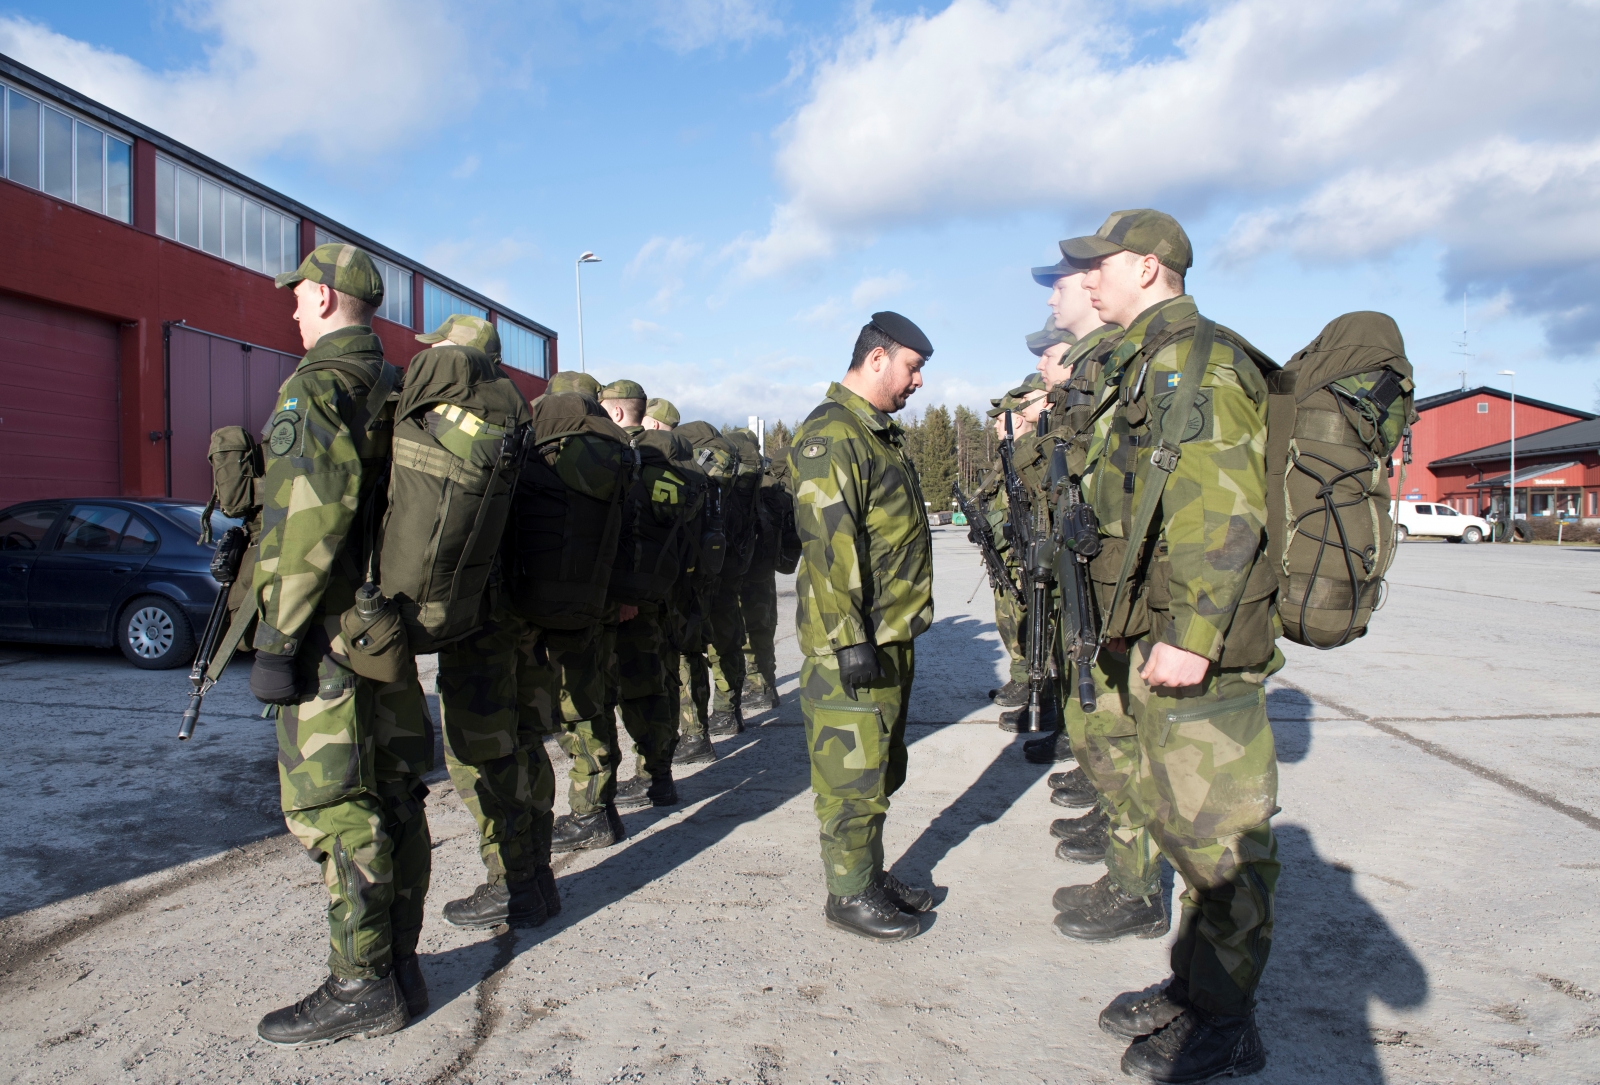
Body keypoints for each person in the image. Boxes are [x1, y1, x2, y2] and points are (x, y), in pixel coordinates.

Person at [1057, 210, 1281, 1082]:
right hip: (1153, 634)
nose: (1087, 279)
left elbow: (1222, 503)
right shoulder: (1149, 360)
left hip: (1200, 649)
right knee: (1183, 828)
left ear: (1149, 268)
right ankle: (1196, 986)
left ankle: (1228, 1022)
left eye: (1099, 265)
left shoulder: (1199, 359)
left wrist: (1192, 631)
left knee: (1223, 839)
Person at [248, 244, 434, 1045]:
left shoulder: (317, 388)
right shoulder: (397, 388)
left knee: (332, 807)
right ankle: (398, 963)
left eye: (298, 296)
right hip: (385, 634)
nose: (292, 308)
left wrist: (278, 636)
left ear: (324, 298)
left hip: (330, 639)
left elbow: (309, 521)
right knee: (395, 794)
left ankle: (362, 984)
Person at [790, 311, 937, 942]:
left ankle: (869, 875)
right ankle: (848, 894)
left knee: (879, 766)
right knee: (851, 774)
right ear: (876, 359)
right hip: (852, 641)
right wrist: (851, 641)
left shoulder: (875, 434)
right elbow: (829, 547)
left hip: (887, 634)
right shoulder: (832, 434)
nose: (917, 383)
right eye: (912, 368)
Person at [426, 315, 558, 932]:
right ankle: (537, 877)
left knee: (480, 754)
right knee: (527, 743)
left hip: (481, 619)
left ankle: (511, 884)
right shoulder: (525, 421)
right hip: (528, 616)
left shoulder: (463, 426)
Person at [599, 378, 692, 809]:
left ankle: (618, 791)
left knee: (620, 692)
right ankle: (659, 776)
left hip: (625, 599)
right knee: (655, 684)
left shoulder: (625, 458)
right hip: (662, 589)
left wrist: (623, 593)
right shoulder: (672, 464)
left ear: (617, 413)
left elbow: (623, 530)